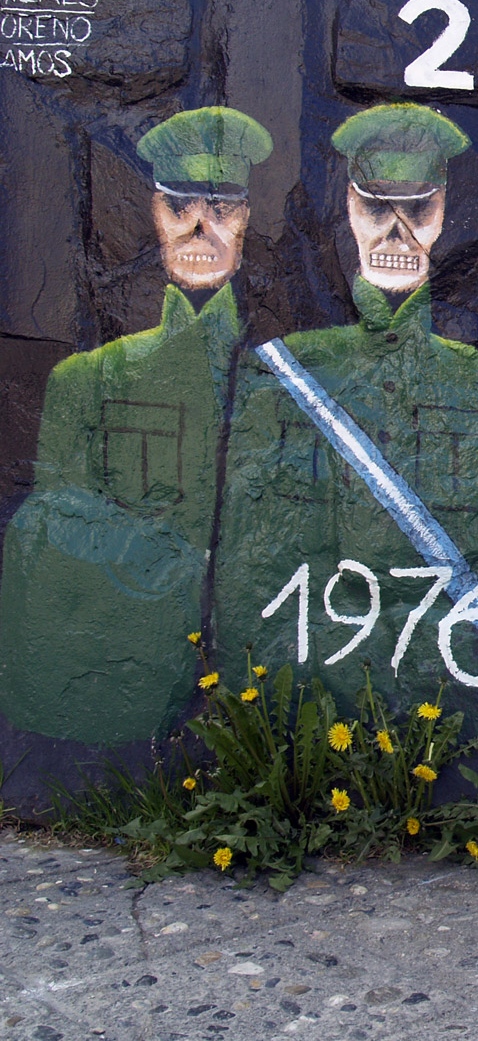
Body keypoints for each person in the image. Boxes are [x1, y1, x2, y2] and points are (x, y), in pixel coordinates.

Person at [215, 103, 478, 721]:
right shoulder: (282, 372)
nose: (397, 232)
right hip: (319, 682)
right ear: (348, 207)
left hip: (453, 688)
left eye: (417, 209)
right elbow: (251, 571)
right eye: (376, 207)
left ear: (443, 211)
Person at [0, 107, 273, 743]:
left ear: (246, 219)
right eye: (180, 206)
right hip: (131, 680)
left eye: (222, 207)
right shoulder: (87, 380)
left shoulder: (288, 383)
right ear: (154, 213)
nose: (201, 227)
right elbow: (56, 545)